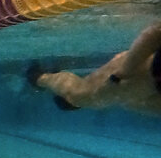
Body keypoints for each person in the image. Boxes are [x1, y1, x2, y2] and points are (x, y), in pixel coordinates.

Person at [28, 20, 161, 115]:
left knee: (84, 95)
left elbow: (153, 33)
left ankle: (46, 81)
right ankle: (40, 78)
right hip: (136, 72)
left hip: (140, 79)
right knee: (81, 94)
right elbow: (154, 33)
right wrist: (126, 70)